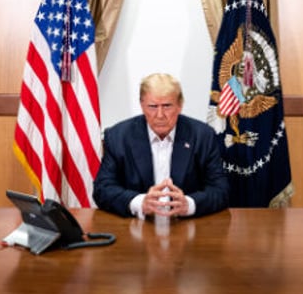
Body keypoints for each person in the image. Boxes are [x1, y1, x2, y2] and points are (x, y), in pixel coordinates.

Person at [93, 72, 229, 218]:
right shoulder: (118, 136)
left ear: (180, 105)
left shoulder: (202, 136)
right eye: (152, 106)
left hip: (187, 227)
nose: (160, 115)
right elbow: (102, 189)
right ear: (142, 105)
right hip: (137, 228)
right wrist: (139, 203)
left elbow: (221, 190)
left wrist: (188, 204)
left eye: (167, 106)